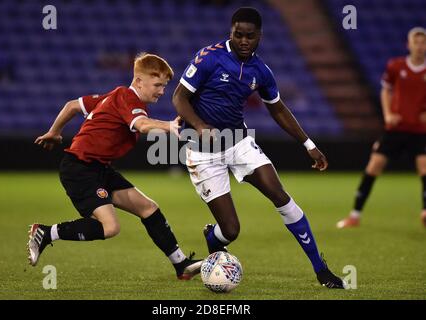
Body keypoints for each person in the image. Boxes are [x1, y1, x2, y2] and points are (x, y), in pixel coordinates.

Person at [172, 7, 345, 288]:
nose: (243, 41)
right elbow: (179, 98)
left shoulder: (261, 71)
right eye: (238, 34)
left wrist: (308, 144)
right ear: (231, 32)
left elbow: (278, 110)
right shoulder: (209, 57)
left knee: (280, 195)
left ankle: (321, 270)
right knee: (230, 230)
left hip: (239, 142)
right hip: (202, 150)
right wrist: (199, 125)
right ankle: (213, 238)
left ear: (259, 37)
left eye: (249, 36)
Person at [28, 53, 202, 280]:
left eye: (164, 86)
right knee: (110, 227)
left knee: (148, 208)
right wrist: (169, 125)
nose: (161, 91)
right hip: (80, 169)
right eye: (157, 85)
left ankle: (181, 265)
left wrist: (54, 132)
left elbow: (72, 106)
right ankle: (46, 232)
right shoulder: (126, 98)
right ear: (139, 81)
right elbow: (141, 125)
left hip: (98, 168)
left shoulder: (112, 97)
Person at [337, 27, 426, 229]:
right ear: (409, 45)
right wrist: (387, 115)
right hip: (395, 129)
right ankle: (354, 215)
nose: (420, 47)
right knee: (373, 167)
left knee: (424, 168)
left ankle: (425, 212)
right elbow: (386, 90)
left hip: (420, 131)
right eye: (416, 42)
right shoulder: (396, 66)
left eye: (423, 43)